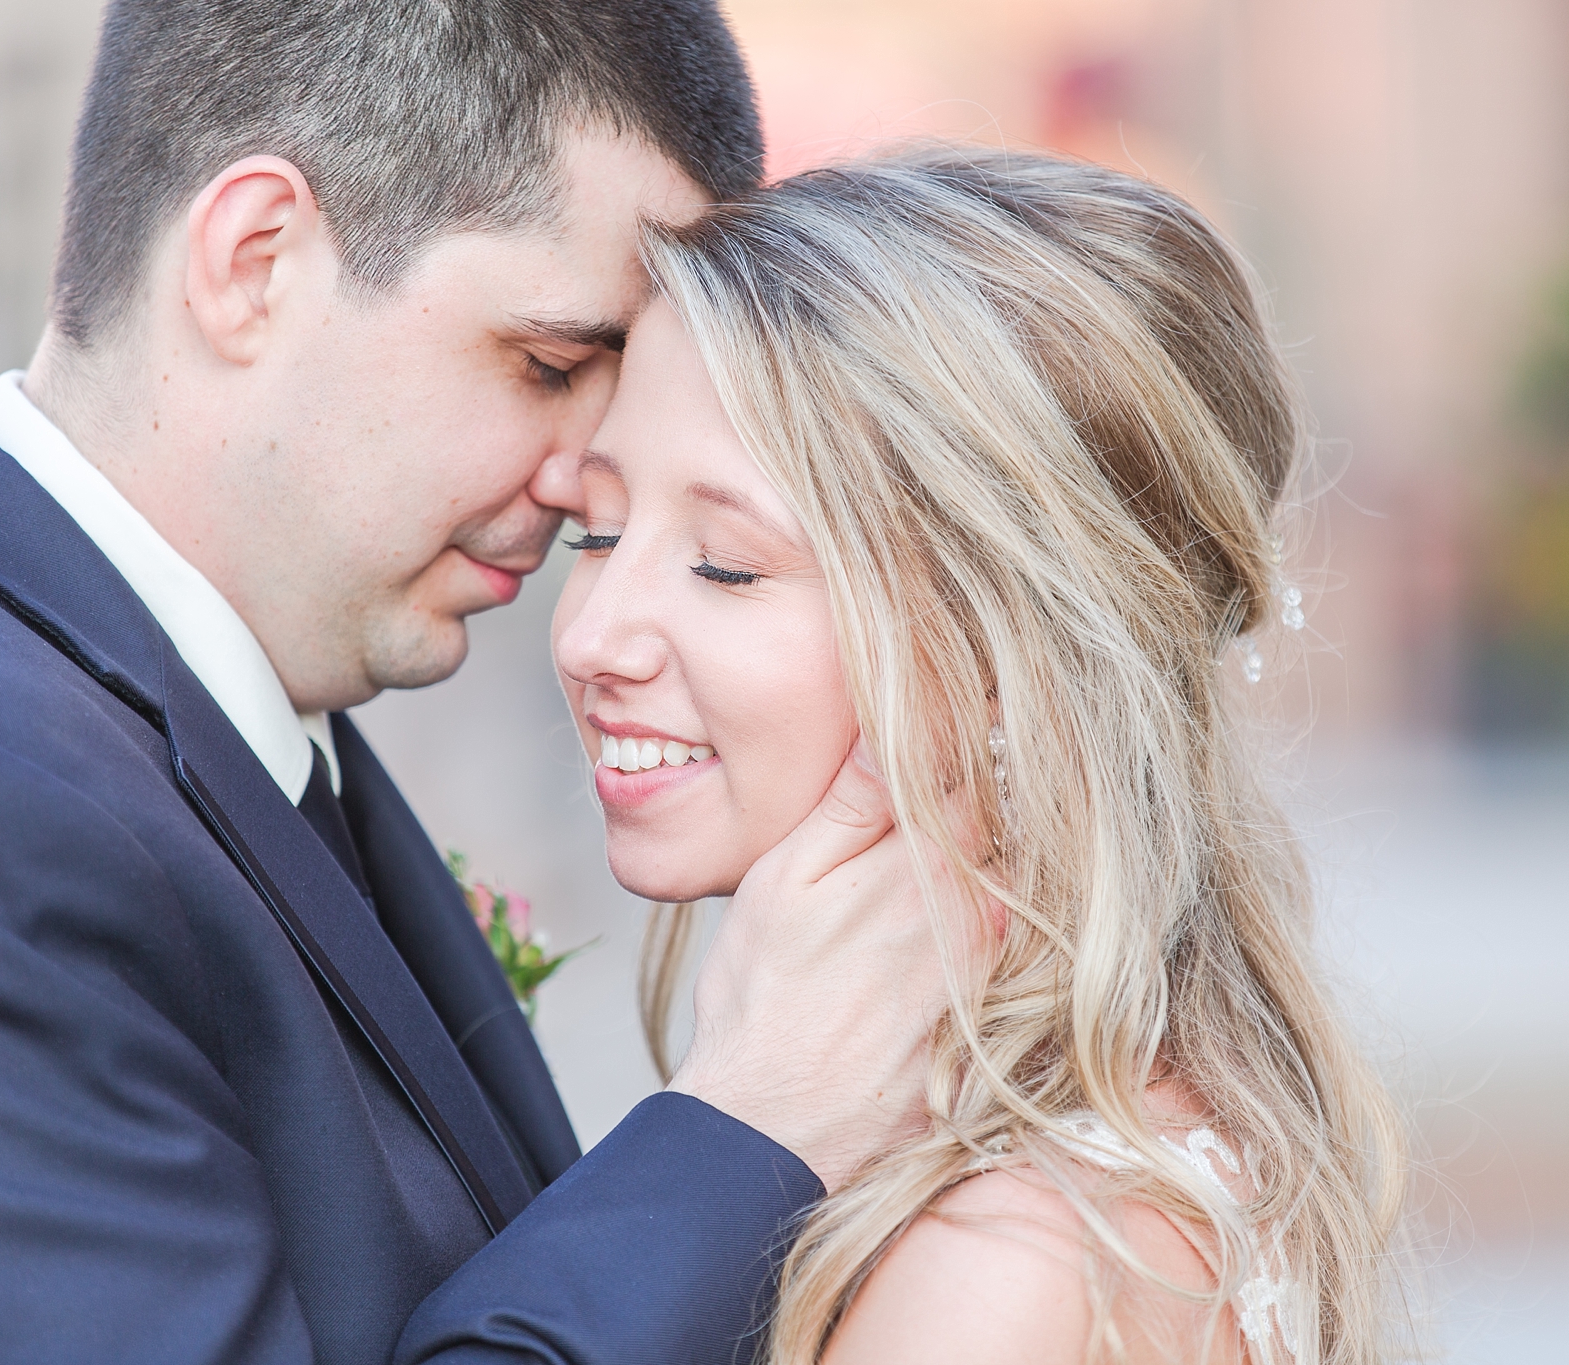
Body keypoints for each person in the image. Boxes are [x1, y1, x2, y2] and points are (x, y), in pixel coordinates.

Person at [0, 4, 952, 1363]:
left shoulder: (191, 720)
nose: (579, 469)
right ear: (255, 260)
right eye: (547, 363)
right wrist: (758, 1121)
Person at [548, 147, 1411, 1365]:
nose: (587, 637)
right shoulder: (1068, 1152)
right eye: (592, 528)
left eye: (725, 564)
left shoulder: (1005, 1270)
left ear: (1010, 643)